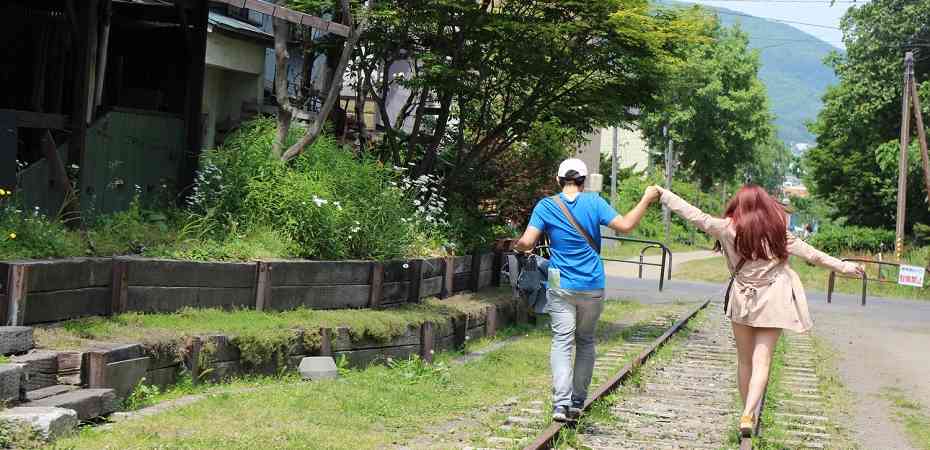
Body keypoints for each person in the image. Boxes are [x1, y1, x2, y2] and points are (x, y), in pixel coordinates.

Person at [652, 184, 864, 436]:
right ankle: (749, 413)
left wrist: (664, 195)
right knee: (762, 361)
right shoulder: (778, 234)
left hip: (743, 298)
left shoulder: (726, 228)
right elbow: (814, 255)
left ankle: (747, 412)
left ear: (737, 206)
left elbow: (693, 214)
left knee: (744, 360)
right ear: (766, 206)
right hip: (773, 299)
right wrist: (843, 267)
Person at [512, 158, 660, 422]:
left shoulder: (546, 206)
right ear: (583, 181)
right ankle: (578, 402)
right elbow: (626, 226)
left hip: (561, 286)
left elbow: (526, 242)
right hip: (592, 284)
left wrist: (517, 246)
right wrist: (647, 198)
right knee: (585, 340)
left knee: (561, 341)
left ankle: (560, 404)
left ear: (558, 180)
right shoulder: (594, 202)